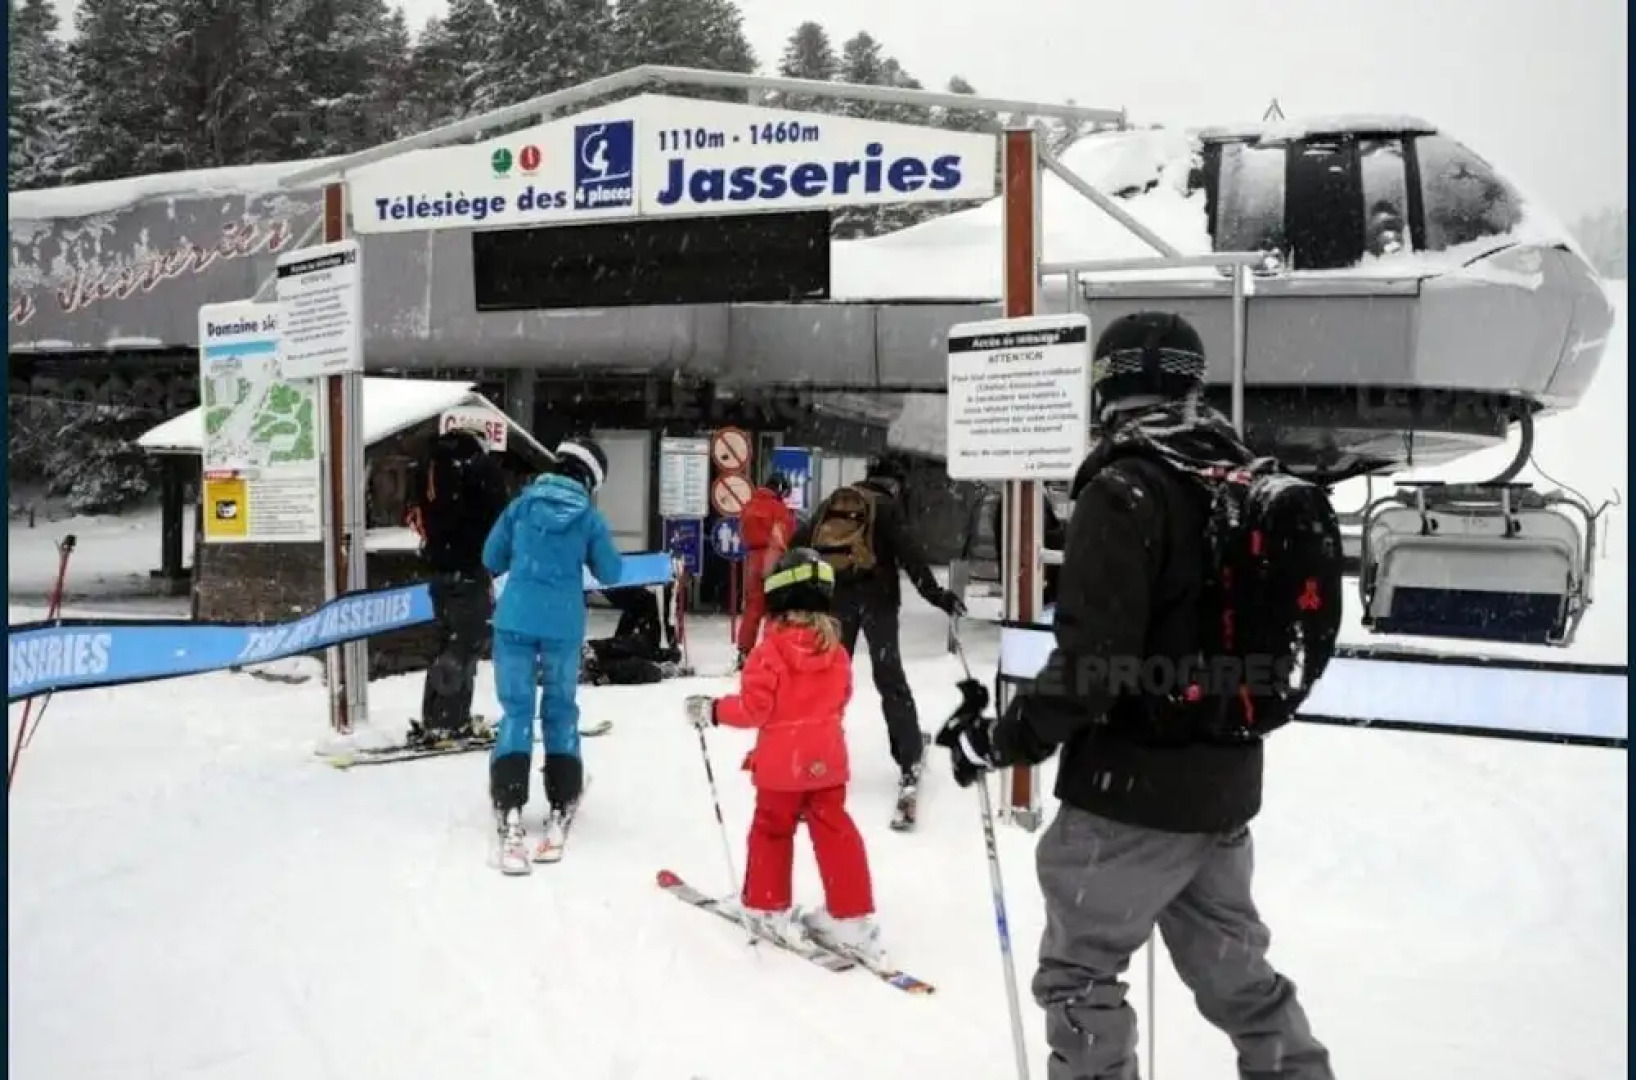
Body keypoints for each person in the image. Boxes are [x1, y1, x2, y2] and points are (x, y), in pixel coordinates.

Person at [936, 312, 1336, 1080]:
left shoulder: (1125, 489)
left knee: (1081, 976)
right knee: (1238, 975)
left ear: (1104, 388)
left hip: (1129, 791)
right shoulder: (1238, 479)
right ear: (1194, 383)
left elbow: (1096, 662)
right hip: (1222, 788)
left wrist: (1003, 739)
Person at [685, 548, 883, 960]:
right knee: (835, 831)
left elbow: (755, 709)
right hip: (827, 762)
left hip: (782, 768)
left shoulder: (769, 652)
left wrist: (714, 710)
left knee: (773, 830)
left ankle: (767, 905)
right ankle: (850, 918)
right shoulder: (837, 651)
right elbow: (841, 699)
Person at [482, 437, 623, 868]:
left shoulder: (521, 507)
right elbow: (612, 572)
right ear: (591, 478)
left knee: (517, 711)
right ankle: (561, 795)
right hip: (562, 626)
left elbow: (491, 557)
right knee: (560, 708)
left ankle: (509, 801)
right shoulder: (588, 518)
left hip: (515, 622)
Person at [794, 452, 964, 807]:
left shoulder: (834, 502)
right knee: (889, 679)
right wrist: (938, 596)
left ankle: (815, 759)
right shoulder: (886, 508)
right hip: (879, 603)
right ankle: (908, 758)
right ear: (895, 483)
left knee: (828, 681)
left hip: (837, 603)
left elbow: (799, 542)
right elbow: (911, 555)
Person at [403, 429, 510, 745]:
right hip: (470, 568)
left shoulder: (429, 466)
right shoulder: (479, 468)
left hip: (439, 568)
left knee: (446, 643)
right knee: (467, 642)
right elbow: (499, 518)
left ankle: (437, 716)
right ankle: (449, 722)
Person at [734, 471, 798, 665]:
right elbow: (787, 535)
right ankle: (769, 654)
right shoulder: (778, 510)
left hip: (752, 559)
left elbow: (742, 532)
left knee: (753, 608)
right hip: (773, 557)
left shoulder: (749, 506)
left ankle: (744, 652)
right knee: (774, 608)